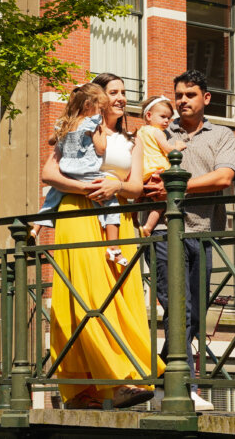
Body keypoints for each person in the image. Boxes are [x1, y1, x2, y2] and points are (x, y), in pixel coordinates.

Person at [40, 72, 165, 409]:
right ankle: (85, 389)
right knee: (83, 295)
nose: (121, 97)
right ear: (98, 98)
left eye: (124, 91)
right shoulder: (75, 131)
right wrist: (88, 188)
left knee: (121, 298)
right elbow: (49, 174)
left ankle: (126, 375)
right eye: (114, 92)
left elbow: (137, 186)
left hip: (119, 221)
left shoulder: (133, 139)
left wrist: (116, 187)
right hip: (78, 214)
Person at [143, 70, 235, 411]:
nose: (183, 100)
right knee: (178, 309)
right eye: (179, 95)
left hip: (204, 233)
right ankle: (182, 388)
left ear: (206, 99)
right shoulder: (159, 132)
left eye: (190, 95)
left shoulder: (222, 134)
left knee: (196, 315)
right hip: (164, 232)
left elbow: (225, 176)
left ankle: (158, 378)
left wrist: (178, 184)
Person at [32, 84, 124, 264]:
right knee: (110, 202)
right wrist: (103, 133)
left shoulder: (64, 122)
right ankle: (114, 248)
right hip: (86, 170)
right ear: (90, 105)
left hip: (67, 170)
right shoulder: (92, 123)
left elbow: (51, 141)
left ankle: (35, 230)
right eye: (100, 108)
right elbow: (100, 148)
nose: (101, 112)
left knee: (52, 197)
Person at [136, 94, 186, 237]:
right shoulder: (157, 132)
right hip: (157, 169)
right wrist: (178, 146)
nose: (166, 121)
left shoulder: (140, 132)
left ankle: (133, 216)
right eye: (163, 117)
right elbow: (168, 150)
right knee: (161, 199)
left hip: (144, 170)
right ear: (149, 116)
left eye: (168, 118)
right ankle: (148, 226)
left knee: (139, 197)